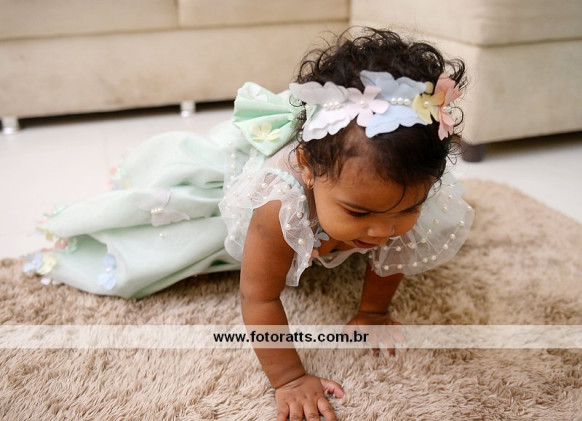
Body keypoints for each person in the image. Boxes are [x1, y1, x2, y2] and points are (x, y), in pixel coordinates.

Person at [24, 28, 474, 420]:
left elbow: (392, 250)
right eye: (359, 213)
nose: (382, 231)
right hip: (262, 177)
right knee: (182, 235)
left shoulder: (399, 189)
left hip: (365, 174)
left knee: (386, 215)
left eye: (406, 210)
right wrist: (289, 378)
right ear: (308, 168)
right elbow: (259, 296)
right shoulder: (279, 206)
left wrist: (373, 312)